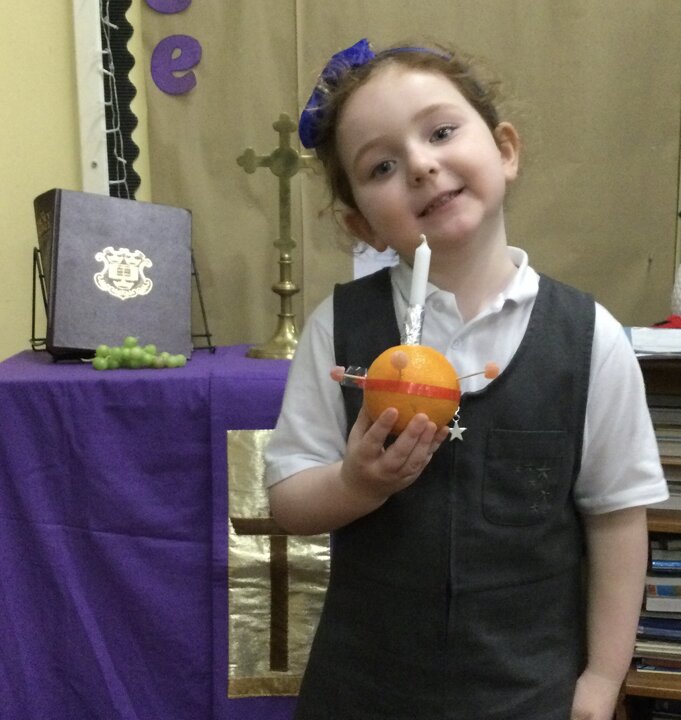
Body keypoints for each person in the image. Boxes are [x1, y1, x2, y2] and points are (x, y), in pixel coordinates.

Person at [264, 38, 668, 720]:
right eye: (382, 165)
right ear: (361, 223)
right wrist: (355, 484)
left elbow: (617, 519)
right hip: (364, 692)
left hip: (528, 694)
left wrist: (602, 681)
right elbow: (288, 501)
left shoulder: (589, 337)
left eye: (441, 132)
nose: (421, 165)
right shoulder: (338, 327)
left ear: (504, 150)